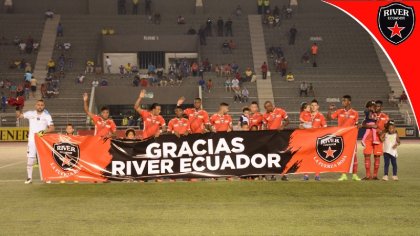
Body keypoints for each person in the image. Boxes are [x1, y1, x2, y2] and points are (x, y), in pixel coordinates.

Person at [16, 100, 54, 184]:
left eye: (41, 105)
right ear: (35, 106)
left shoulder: (47, 115)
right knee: (30, 159)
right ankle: (29, 178)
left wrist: (42, 132)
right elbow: (19, 116)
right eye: (38, 105)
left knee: (44, 159)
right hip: (32, 141)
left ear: (44, 106)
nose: (40, 106)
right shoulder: (30, 113)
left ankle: (47, 177)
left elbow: (52, 128)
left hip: (42, 141)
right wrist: (17, 106)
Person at [327, 95, 361, 181]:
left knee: (354, 156)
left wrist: (358, 126)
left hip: (351, 138)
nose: (343, 102)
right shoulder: (339, 111)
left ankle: (354, 175)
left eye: (345, 100)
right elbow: (329, 118)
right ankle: (343, 175)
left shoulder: (355, 113)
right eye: (342, 101)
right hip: (341, 137)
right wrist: (330, 110)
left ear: (349, 102)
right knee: (343, 156)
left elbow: (357, 125)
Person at [362, 100, 389, 180]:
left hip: (378, 138)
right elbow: (363, 124)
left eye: (378, 106)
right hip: (368, 138)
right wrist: (371, 126)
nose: (376, 108)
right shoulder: (370, 114)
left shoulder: (385, 116)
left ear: (381, 107)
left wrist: (382, 132)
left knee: (377, 156)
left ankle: (375, 175)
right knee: (367, 155)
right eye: (375, 106)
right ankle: (367, 176)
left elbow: (388, 128)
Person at [263, 101, 289, 181]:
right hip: (271, 138)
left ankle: (284, 175)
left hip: (280, 136)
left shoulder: (281, 111)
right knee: (272, 155)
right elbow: (265, 127)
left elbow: (288, 121)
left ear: (271, 105)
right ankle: (273, 175)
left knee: (282, 155)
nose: (267, 109)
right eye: (266, 107)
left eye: (268, 107)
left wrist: (282, 126)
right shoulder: (265, 115)